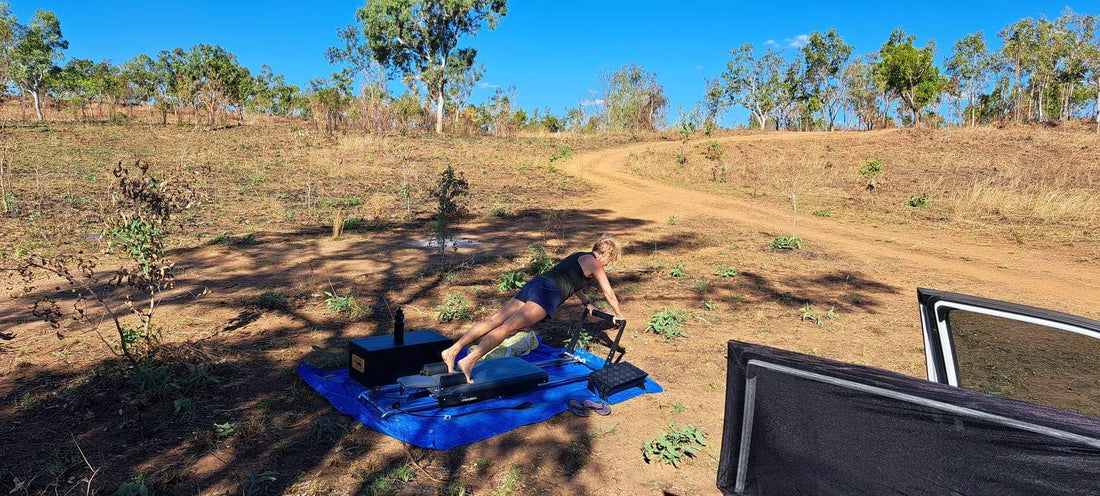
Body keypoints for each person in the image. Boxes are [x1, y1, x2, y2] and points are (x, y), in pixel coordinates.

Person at [441, 235, 625, 382]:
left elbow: (572, 281)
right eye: (611, 258)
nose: (608, 263)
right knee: (508, 327)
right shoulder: (596, 264)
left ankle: (452, 351)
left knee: (495, 319)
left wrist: (586, 302)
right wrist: (618, 314)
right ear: (606, 254)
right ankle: (468, 361)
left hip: (537, 284)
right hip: (548, 293)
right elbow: (608, 293)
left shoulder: (578, 256)